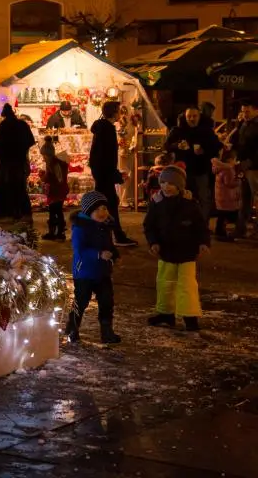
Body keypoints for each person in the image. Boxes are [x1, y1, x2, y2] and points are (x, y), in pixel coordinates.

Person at [144, 165, 211, 332]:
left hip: (187, 252)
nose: (166, 186)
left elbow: (200, 225)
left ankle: (190, 317)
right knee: (164, 283)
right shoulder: (156, 203)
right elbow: (149, 225)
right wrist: (153, 242)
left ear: (180, 186)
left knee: (187, 286)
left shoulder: (190, 203)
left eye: (171, 183)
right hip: (165, 252)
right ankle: (165, 313)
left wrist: (203, 242)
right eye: (163, 182)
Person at [64, 191, 121, 344]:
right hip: (84, 272)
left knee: (107, 300)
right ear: (88, 211)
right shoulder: (80, 228)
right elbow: (79, 249)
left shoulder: (105, 226)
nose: (102, 213)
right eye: (97, 210)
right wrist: (98, 254)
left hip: (102, 271)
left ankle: (107, 331)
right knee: (81, 300)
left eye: (104, 208)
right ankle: (72, 327)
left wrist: (114, 254)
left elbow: (108, 244)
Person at [89, 100, 136, 246]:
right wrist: (114, 174)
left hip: (102, 172)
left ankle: (109, 235)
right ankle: (112, 236)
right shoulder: (107, 129)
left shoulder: (102, 127)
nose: (120, 114)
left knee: (107, 203)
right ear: (113, 113)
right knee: (108, 204)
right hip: (104, 173)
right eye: (118, 111)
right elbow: (106, 155)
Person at [165, 106, 222, 225]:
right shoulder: (178, 130)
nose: (191, 119)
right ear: (185, 117)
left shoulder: (206, 131)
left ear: (199, 116)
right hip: (183, 170)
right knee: (184, 197)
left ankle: (202, 224)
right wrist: (177, 146)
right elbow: (166, 146)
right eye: (189, 116)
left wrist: (204, 150)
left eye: (194, 116)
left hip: (201, 169)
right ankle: (185, 223)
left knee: (203, 197)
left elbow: (217, 146)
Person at [0, 104, 35, 221]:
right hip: (20, 161)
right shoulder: (22, 124)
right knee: (20, 188)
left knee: (6, 189)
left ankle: (8, 214)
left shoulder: (4, 125)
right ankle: (23, 213)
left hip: (6, 163)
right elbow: (30, 141)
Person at [232, 100, 258, 239]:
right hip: (243, 166)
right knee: (244, 199)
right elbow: (238, 141)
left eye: (247, 111)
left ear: (256, 110)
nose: (245, 114)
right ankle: (241, 229)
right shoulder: (244, 124)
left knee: (256, 199)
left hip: (254, 168)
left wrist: (251, 161)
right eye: (243, 111)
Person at [40, 137, 70, 240]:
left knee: (54, 211)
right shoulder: (57, 162)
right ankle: (58, 232)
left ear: (48, 154)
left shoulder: (53, 164)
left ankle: (55, 232)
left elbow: (57, 178)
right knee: (57, 211)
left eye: (44, 155)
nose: (43, 158)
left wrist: (42, 176)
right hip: (59, 190)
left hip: (56, 191)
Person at [212, 149, 241, 242]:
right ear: (230, 159)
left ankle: (219, 232)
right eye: (235, 159)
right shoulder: (228, 169)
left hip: (220, 197)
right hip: (228, 197)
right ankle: (225, 234)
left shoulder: (219, 167)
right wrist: (239, 181)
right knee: (230, 217)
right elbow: (229, 183)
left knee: (221, 216)